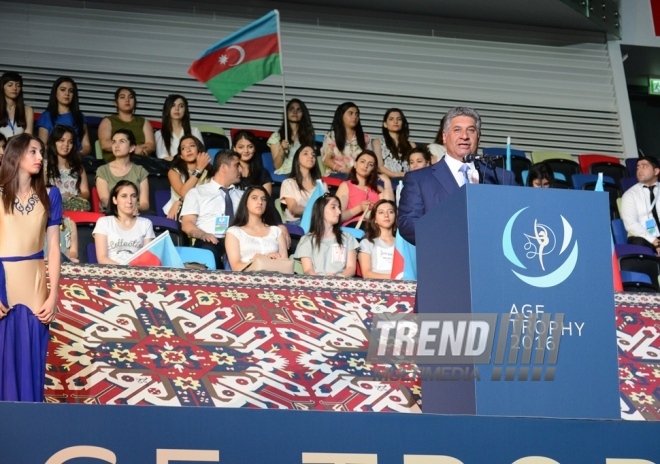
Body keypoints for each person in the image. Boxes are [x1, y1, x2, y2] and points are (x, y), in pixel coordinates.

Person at [0, 133, 61, 402]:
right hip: (3, 285)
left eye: (41, 153)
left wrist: (54, 295)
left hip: (37, 287)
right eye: (33, 152)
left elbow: (55, 249)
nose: (40, 158)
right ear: (16, 155)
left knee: (32, 364)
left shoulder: (51, 195)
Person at [398, 107, 516, 244]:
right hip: (445, 258)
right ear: (444, 136)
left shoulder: (502, 177)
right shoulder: (420, 179)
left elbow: (517, 220)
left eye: (471, 130)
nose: (464, 136)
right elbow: (408, 224)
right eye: (457, 130)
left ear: (479, 138)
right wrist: (450, 235)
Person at [180, 150, 244, 270]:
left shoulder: (244, 196)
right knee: (208, 250)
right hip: (211, 240)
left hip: (239, 241)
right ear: (224, 167)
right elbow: (187, 224)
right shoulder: (197, 193)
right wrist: (202, 234)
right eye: (237, 165)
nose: (241, 170)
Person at [225, 186, 288, 271]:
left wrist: (272, 261)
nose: (260, 202)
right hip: (247, 279)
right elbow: (236, 267)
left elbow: (286, 266)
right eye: (254, 198)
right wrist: (254, 262)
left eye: (263, 199)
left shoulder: (276, 231)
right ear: (245, 203)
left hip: (274, 278)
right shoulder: (234, 232)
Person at [296, 194, 359, 276]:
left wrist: (339, 278)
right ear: (320, 210)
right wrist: (323, 281)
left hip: (341, 283)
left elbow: (351, 268)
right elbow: (308, 270)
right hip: (317, 284)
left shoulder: (348, 237)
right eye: (333, 207)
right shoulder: (306, 240)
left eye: (339, 207)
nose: (339, 212)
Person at [93, 180, 155, 265]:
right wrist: (124, 269)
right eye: (124, 196)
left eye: (133, 196)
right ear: (115, 200)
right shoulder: (104, 222)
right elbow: (102, 258)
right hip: (112, 272)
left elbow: (147, 258)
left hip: (137, 273)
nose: (129, 201)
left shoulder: (146, 224)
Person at [95, 129, 149, 213]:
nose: (116, 145)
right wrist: (124, 210)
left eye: (122, 141)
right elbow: (105, 201)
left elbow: (144, 203)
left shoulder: (140, 171)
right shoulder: (103, 170)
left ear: (131, 148)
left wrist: (133, 209)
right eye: (114, 142)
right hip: (112, 215)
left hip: (136, 214)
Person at [336, 150, 394, 227]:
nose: (366, 166)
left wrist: (387, 182)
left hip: (376, 226)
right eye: (362, 161)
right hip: (354, 226)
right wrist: (359, 208)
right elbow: (338, 216)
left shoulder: (378, 189)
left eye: (370, 164)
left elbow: (390, 208)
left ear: (373, 170)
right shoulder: (346, 185)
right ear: (355, 164)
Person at [36, 77, 91, 156]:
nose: (67, 94)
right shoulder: (46, 116)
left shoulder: (80, 117)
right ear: (55, 92)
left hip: (76, 159)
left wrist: (77, 155)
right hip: (53, 160)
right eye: (63, 90)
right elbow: (42, 145)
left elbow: (87, 146)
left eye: (71, 91)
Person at [98, 87, 155, 161]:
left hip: (139, 162)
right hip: (114, 163)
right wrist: (132, 148)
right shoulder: (108, 121)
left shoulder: (143, 122)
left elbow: (151, 145)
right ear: (116, 103)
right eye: (122, 97)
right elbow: (105, 144)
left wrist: (139, 149)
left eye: (131, 97)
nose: (127, 100)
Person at [164, 135, 211, 219]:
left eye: (192, 146)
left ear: (199, 150)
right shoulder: (174, 172)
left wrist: (180, 201)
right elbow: (184, 193)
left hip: (204, 212)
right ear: (181, 156)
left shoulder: (210, 172)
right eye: (183, 148)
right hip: (179, 214)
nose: (188, 150)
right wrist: (199, 170)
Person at [621, 156, 660, 255]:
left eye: (644, 166)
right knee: (639, 242)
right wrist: (655, 242)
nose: (639, 170)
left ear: (656, 171)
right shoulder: (630, 194)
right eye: (638, 167)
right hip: (645, 238)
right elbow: (631, 224)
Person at [45, 125, 90, 211]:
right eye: (62, 140)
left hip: (74, 207)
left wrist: (75, 197)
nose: (66, 145)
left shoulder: (78, 168)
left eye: (70, 142)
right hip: (53, 207)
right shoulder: (45, 167)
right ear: (54, 142)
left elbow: (86, 192)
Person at [267, 98, 316, 175]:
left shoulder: (308, 136)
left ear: (303, 114)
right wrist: (282, 149)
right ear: (286, 113)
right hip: (286, 174)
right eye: (291, 109)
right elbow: (276, 166)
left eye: (298, 110)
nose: (295, 112)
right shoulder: (276, 136)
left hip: (304, 173)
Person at [279, 145, 325, 225]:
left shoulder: (322, 184)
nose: (311, 156)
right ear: (297, 159)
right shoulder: (288, 183)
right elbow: (294, 209)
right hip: (298, 222)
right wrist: (315, 210)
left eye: (313, 155)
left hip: (318, 221)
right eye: (306, 153)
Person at [321, 102, 370, 176]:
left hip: (359, 176)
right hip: (337, 174)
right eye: (350, 113)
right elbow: (326, 160)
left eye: (356, 114)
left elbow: (370, 160)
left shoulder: (365, 138)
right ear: (341, 116)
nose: (354, 117)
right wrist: (343, 170)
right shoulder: (332, 136)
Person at [155, 94, 203, 161]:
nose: (177, 109)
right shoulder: (159, 134)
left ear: (185, 111)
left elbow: (201, 155)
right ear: (167, 110)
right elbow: (162, 159)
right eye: (173, 105)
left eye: (181, 106)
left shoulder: (194, 131)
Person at [372, 108, 415, 180]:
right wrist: (396, 175)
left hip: (408, 182)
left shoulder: (411, 145)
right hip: (386, 182)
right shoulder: (378, 142)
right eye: (391, 119)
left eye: (399, 119)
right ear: (385, 124)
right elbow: (379, 167)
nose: (395, 121)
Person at [358, 199, 397, 279]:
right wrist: (394, 277)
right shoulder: (367, 243)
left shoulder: (403, 243)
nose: (386, 215)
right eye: (381, 212)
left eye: (390, 212)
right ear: (375, 219)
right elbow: (366, 274)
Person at [233, 130, 272, 195]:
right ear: (234, 148)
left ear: (254, 148)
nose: (246, 151)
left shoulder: (263, 173)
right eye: (241, 147)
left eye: (250, 147)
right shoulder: (229, 172)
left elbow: (266, 200)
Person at [0, 71, 34, 137]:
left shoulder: (27, 110)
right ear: (2, 87)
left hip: (19, 146)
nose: (15, 88)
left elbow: (28, 136)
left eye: (18, 85)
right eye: (10, 85)